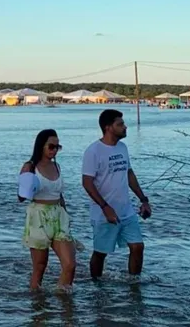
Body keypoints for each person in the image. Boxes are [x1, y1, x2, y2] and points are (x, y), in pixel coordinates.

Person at [82, 109, 152, 280]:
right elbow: (87, 183)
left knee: (137, 247)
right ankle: (96, 286)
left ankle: (134, 285)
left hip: (126, 211)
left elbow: (129, 174)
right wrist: (105, 208)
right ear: (108, 128)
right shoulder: (93, 151)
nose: (125, 127)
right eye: (120, 124)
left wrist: (143, 200)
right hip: (104, 214)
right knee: (101, 253)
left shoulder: (122, 147)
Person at [19, 129, 76, 290]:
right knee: (40, 266)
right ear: (41, 146)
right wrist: (28, 185)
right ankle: (37, 306)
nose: (54, 150)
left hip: (58, 215)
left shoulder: (57, 166)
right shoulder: (30, 167)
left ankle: (64, 302)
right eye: (51, 146)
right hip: (38, 215)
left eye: (58, 147)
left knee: (70, 264)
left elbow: (59, 193)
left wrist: (66, 215)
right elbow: (21, 197)